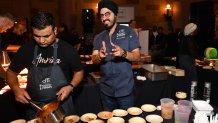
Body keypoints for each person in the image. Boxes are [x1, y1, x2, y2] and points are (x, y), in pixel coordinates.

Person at [6, 11, 84, 120]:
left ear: (55, 30)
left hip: (62, 105)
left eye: (46, 36)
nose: (41, 41)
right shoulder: (26, 50)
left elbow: (79, 72)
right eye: (37, 36)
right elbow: (11, 72)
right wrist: (15, 88)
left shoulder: (67, 50)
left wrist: (71, 86)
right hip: (35, 107)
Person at [92, 0, 141, 111]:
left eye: (107, 14)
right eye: (102, 15)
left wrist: (123, 53)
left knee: (128, 119)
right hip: (106, 91)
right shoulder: (98, 37)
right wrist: (99, 56)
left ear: (115, 14)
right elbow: (93, 59)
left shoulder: (129, 32)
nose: (104, 18)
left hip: (125, 91)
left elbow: (137, 56)